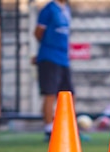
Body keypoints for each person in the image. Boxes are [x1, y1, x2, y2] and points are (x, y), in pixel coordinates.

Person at [33, 0, 85, 141]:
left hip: (63, 58)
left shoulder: (66, 8)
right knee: (50, 94)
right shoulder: (48, 9)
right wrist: (46, 50)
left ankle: (71, 129)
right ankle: (49, 130)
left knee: (69, 94)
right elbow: (38, 33)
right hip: (49, 57)